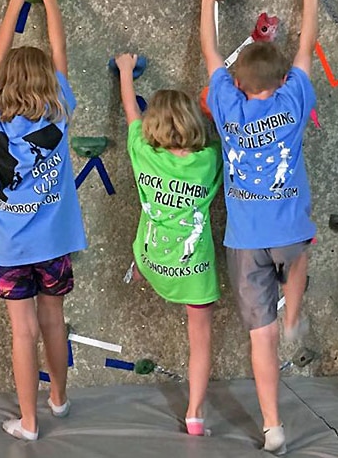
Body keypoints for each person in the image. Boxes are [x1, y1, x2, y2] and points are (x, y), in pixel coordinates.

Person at [198, 0, 320, 454]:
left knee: (260, 338)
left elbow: (211, 51)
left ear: (237, 84)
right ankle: (293, 314)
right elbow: (306, 47)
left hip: (246, 238)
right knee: (300, 256)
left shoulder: (228, 107)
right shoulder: (292, 103)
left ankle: (273, 426)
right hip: (288, 230)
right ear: (283, 79)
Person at [0, 0, 85, 441]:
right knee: (53, 321)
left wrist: (17, 1)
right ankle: (58, 398)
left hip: (9, 247)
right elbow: (60, 56)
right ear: (48, 81)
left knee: (23, 333)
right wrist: (49, 0)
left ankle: (28, 422)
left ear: (2, 82)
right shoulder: (58, 111)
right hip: (53, 244)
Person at [115, 53, 223, 436]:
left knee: (149, 251)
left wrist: (126, 72)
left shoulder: (142, 153)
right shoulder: (209, 159)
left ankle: (143, 271)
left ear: (153, 124)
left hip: (152, 259)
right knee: (201, 337)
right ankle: (195, 414)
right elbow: (223, 130)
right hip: (193, 270)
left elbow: (131, 111)